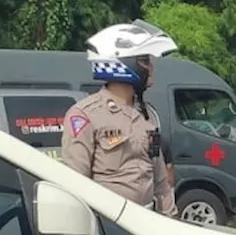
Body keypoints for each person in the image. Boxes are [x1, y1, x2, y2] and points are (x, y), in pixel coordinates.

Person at [61, 21, 177, 215]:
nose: (151, 67)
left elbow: (160, 182)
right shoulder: (85, 115)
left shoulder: (148, 115)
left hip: (148, 223)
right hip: (109, 226)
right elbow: (75, 183)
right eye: (144, 61)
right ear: (123, 63)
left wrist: (173, 223)